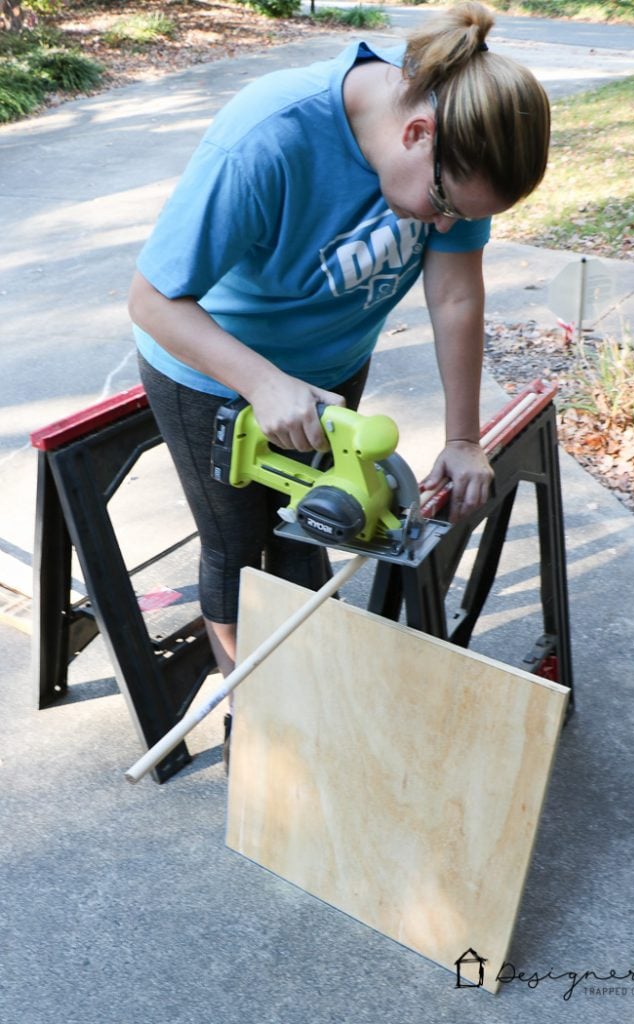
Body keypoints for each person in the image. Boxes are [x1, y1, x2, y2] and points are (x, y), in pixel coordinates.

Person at [128, 1, 551, 698]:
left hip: (327, 370)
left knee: (313, 523)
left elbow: (453, 297)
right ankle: (252, 710)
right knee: (235, 545)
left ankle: (311, 691)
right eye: (444, 204)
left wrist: (462, 436)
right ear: (417, 133)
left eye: (464, 218)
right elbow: (151, 301)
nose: (445, 225)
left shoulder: (451, 160)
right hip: (210, 368)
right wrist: (263, 384)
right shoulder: (270, 137)